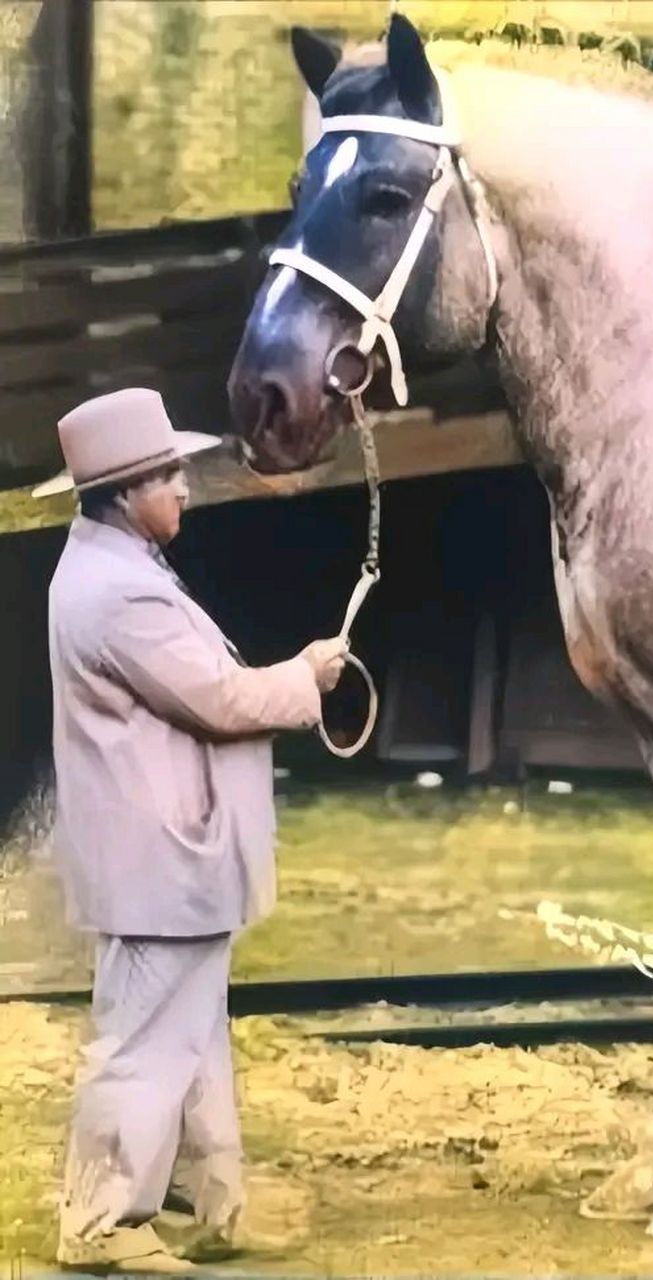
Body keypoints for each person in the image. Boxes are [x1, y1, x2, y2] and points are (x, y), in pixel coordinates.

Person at [37, 388, 347, 1274]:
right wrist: (307, 675)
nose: (184, 484)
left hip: (165, 859)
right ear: (127, 490)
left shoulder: (113, 569)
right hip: (157, 861)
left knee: (191, 1038)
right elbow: (221, 701)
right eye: (168, 472)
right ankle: (103, 1224)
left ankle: (213, 1208)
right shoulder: (119, 593)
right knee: (143, 1046)